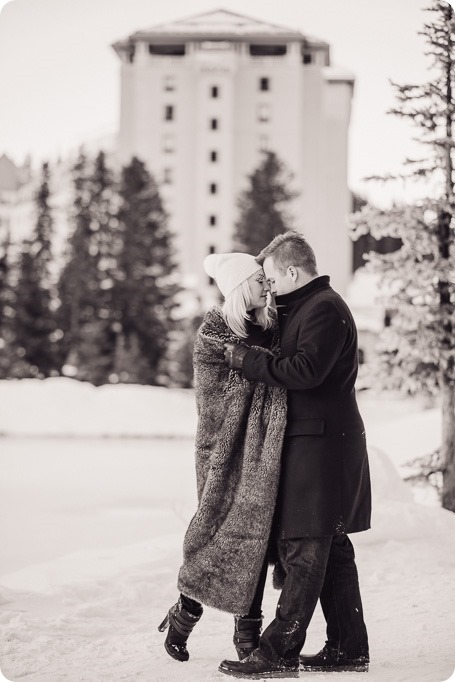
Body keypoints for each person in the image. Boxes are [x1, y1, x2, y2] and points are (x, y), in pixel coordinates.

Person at [221, 231, 371, 679]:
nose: (268, 287)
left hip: (323, 446)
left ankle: (276, 653)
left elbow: (306, 371)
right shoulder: (307, 307)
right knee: (333, 547)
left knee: (305, 546)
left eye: (270, 278)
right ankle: (348, 646)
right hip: (322, 444)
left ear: (292, 270)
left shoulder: (324, 309)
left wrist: (246, 360)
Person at [158, 252, 287, 664]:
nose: (267, 287)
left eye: (266, 281)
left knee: (257, 538)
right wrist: (264, 372)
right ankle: (185, 614)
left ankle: (246, 635)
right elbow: (215, 400)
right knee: (217, 535)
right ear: (239, 288)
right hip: (222, 453)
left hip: (263, 452)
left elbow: (276, 375)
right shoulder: (214, 332)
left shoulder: (271, 328)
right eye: (259, 282)